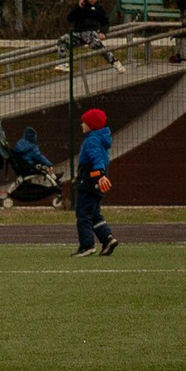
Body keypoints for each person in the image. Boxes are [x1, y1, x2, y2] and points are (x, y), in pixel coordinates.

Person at [71, 107, 120, 258]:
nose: (82, 125)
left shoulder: (92, 140)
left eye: (84, 122)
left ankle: (87, 246)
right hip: (95, 183)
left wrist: (100, 175)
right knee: (94, 214)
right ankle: (107, 239)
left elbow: (96, 158)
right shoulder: (101, 139)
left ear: (92, 124)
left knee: (83, 213)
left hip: (89, 182)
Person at [66, 0, 123, 68]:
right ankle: (62, 63)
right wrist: (79, 8)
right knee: (62, 40)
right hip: (78, 34)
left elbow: (105, 22)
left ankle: (114, 61)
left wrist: (103, 32)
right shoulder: (81, 7)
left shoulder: (98, 8)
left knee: (98, 46)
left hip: (90, 33)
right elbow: (70, 18)